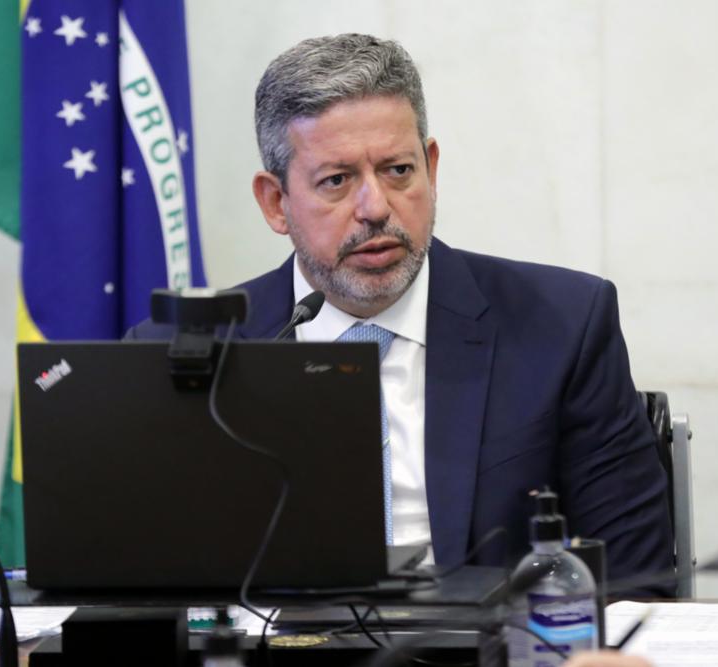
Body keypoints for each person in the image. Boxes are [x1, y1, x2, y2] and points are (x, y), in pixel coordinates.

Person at [128, 33, 673, 592]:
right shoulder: (186, 353)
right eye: (336, 181)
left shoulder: (563, 325)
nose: (375, 208)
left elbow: (635, 581)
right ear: (275, 202)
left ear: (430, 169)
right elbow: (136, 580)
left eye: (397, 171)